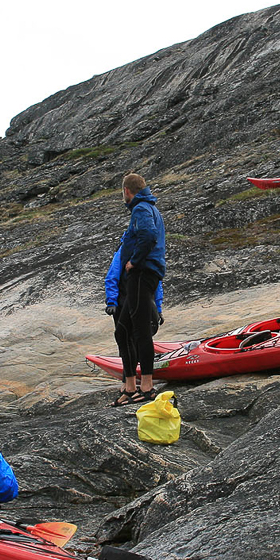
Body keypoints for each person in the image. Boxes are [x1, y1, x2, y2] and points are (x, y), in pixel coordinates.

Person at [111, 173, 166, 407]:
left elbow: (149, 236)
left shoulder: (141, 208)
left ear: (126, 191)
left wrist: (134, 261)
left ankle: (147, 387)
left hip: (143, 273)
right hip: (142, 275)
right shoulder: (147, 207)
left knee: (140, 331)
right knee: (123, 331)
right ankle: (130, 385)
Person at [105, 238, 163, 335]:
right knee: (124, 335)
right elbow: (112, 276)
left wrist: (158, 308)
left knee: (141, 336)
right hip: (123, 300)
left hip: (143, 300)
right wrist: (111, 302)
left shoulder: (151, 253)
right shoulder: (124, 251)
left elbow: (157, 283)